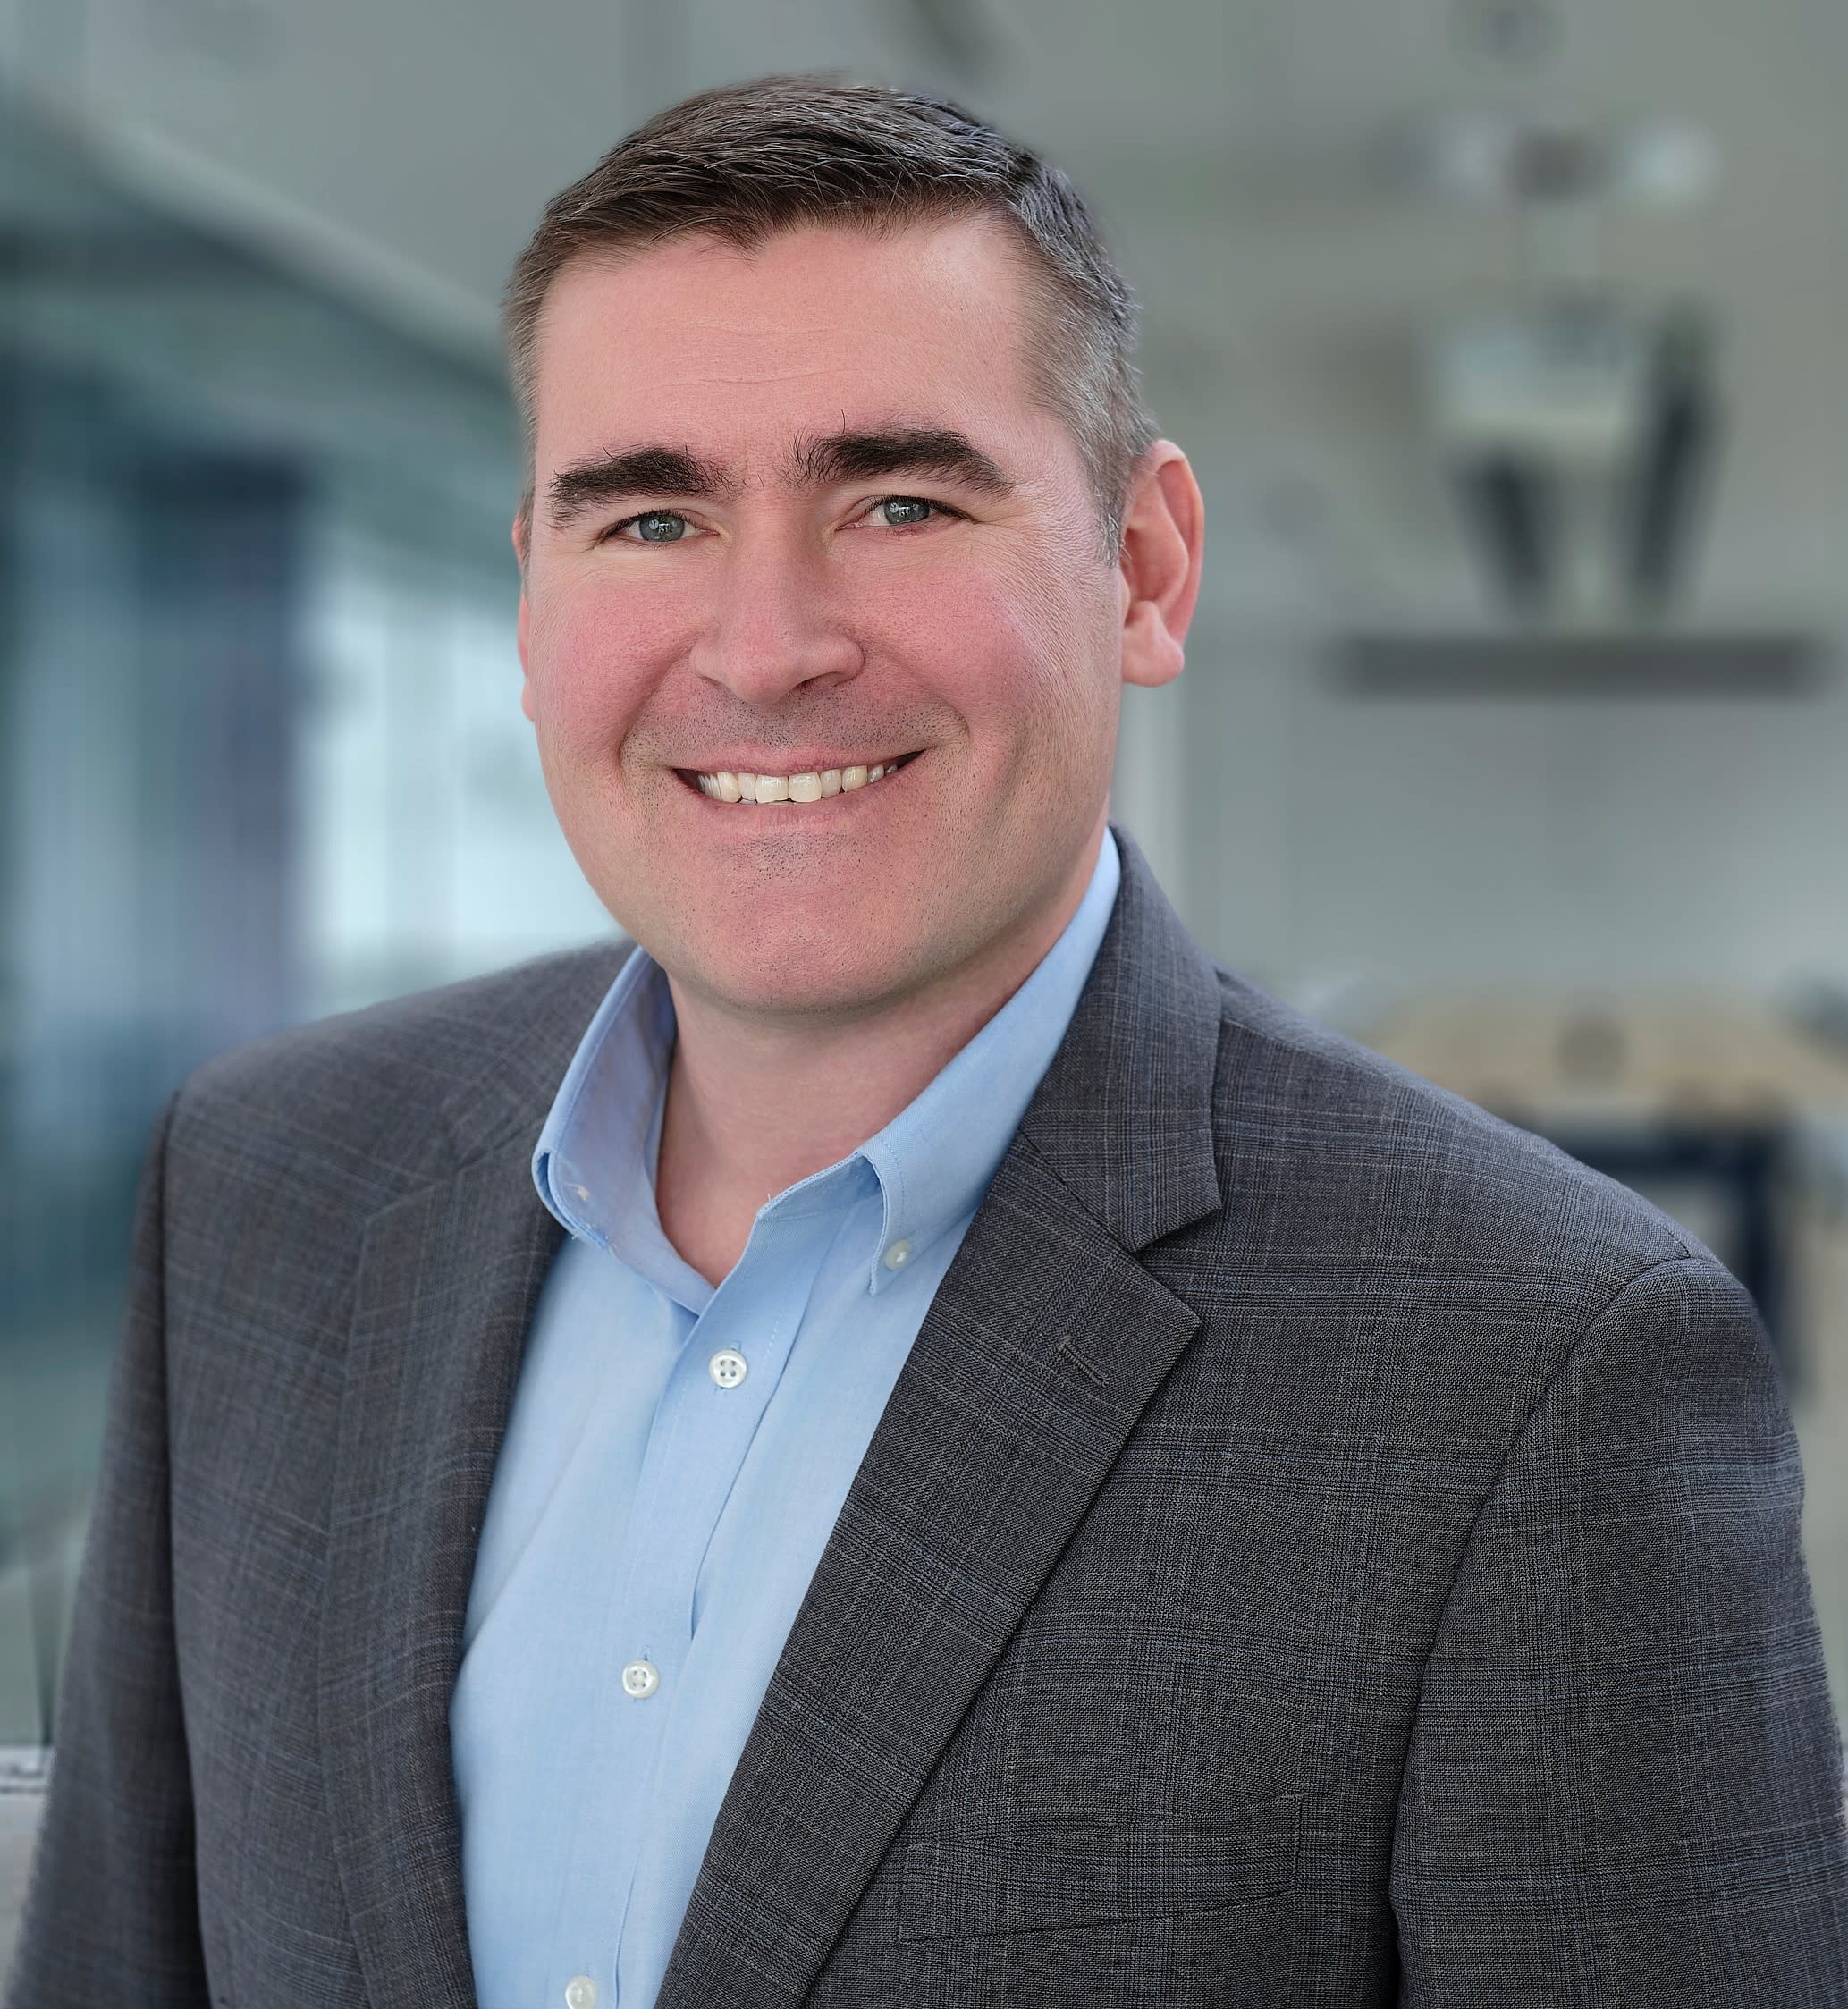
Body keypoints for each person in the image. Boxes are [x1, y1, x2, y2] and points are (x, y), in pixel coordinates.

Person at [8, 72, 1847, 2009]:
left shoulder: (1535, 1366)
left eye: (898, 503)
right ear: (533, 595)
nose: (765, 646)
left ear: (1143, 568)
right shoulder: (266, 1181)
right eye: (650, 515)